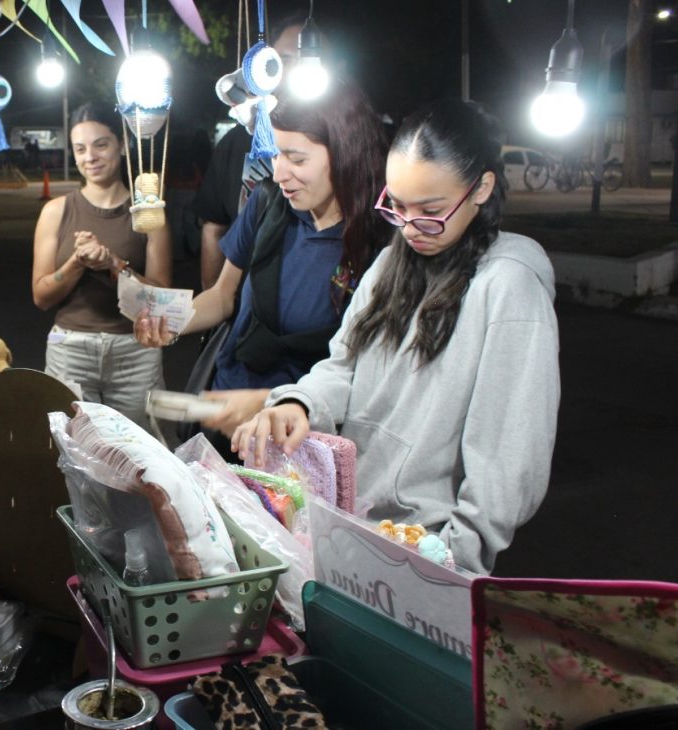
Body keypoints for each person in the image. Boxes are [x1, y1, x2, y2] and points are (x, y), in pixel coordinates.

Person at [233, 99, 560, 574]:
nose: (409, 228)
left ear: (482, 188)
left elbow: (507, 455)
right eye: (397, 207)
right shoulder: (390, 263)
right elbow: (343, 365)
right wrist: (299, 404)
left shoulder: (509, 285)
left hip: (430, 547)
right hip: (353, 521)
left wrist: (457, 556)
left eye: (431, 211)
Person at [136, 76, 387, 440]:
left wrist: (269, 402)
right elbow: (223, 297)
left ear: (346, 153)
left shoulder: (381, 242)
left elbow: (363, 371)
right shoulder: (268, 202)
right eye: (275, 154)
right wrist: (168, 321)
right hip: (224, 410)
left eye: (296, 159)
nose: (279, 173)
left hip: (299, 431)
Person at [33, 102, 172, 425]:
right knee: (72, 446)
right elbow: (41, 296)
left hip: (135, 351)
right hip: (70, 349)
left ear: (121, 145)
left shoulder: (149, 213)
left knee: (138, 448)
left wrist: (114, 263)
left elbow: (162, 298)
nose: (90, 157)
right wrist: (77, 262)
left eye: (101, 145)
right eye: (80, 149)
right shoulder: (56, 211)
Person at [194, 13, 309, 291]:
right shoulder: (236, 141)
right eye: (285, 60)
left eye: (307, 57)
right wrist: (215, 295)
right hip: (241, 293)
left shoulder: (338, 143)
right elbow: (214, 226)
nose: (296, 69)